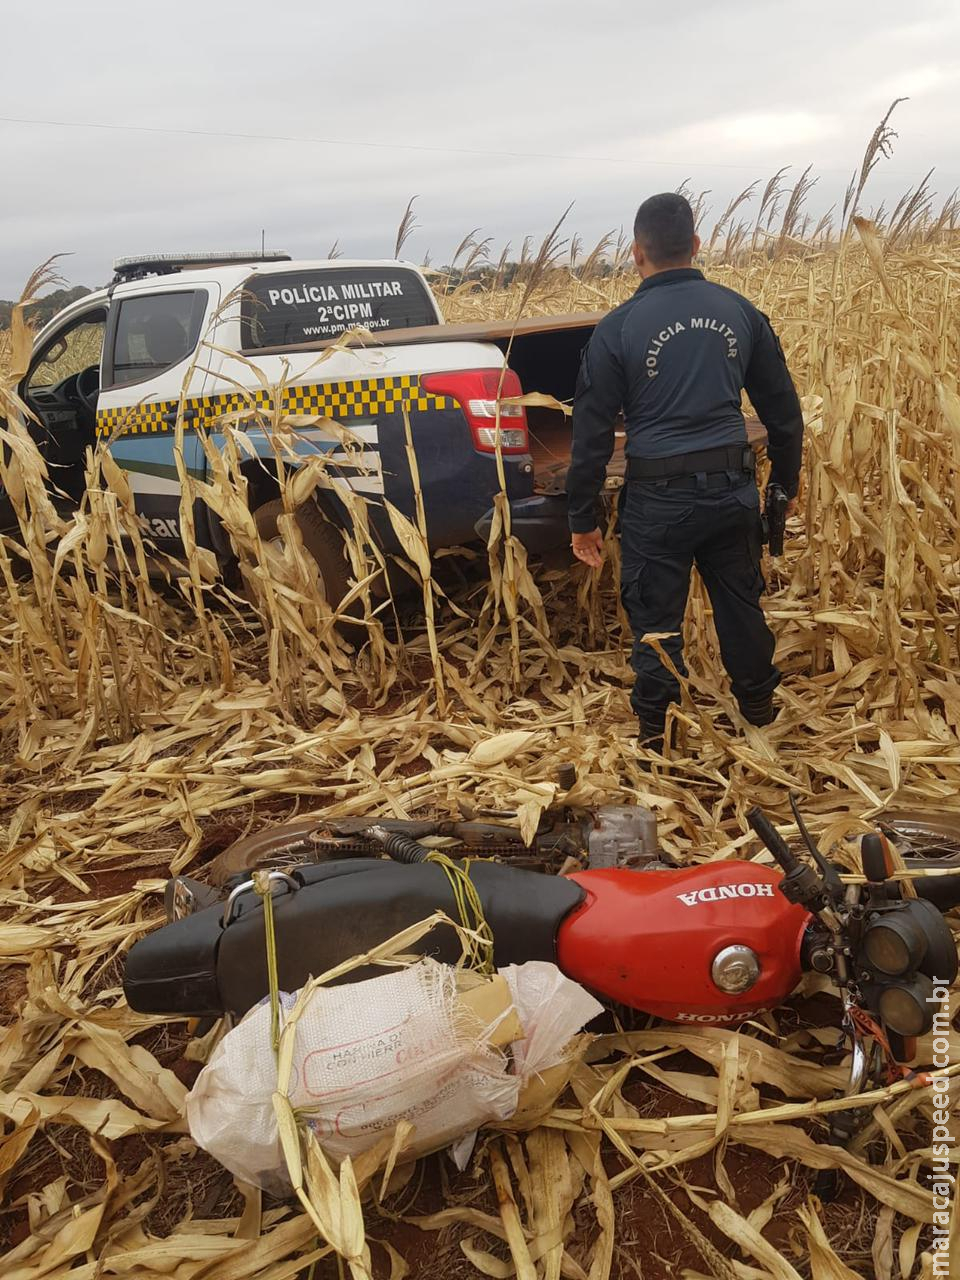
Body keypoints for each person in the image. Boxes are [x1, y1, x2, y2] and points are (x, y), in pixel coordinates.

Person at [566, 192, 804, 747]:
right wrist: (785, 486)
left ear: (635, 254)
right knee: (741, 607)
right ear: (697, 246)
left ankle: (657, 740)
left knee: (655, 622)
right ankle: (759, 718)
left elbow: (591, 436)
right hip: (732, 492)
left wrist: (582, 517)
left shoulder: (617, 329)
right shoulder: (740, 312)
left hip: (657, 503)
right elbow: (784, 413)